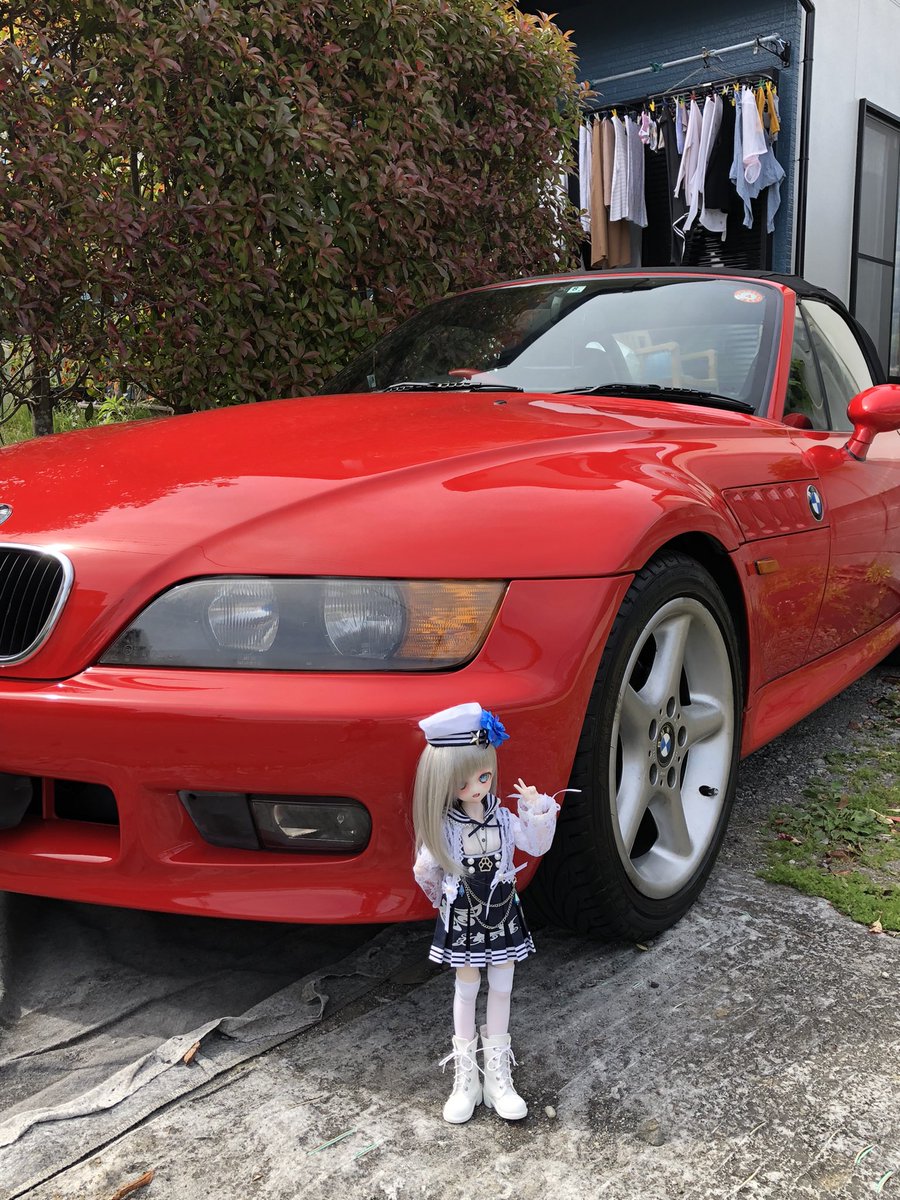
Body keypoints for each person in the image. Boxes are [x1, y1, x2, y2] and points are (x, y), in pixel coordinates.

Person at [412, 701, 561, 1124]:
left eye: (483, 776)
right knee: (466, 985)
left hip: (501, 908)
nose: (476, 788)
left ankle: (497, 1075)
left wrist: (535, 808)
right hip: (464, 910)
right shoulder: (446, 826)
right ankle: (466, 1076)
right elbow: (425, 869)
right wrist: (444, 900)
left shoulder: (502, 818)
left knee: (502, 983)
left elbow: (536, 844)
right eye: (463, 782)